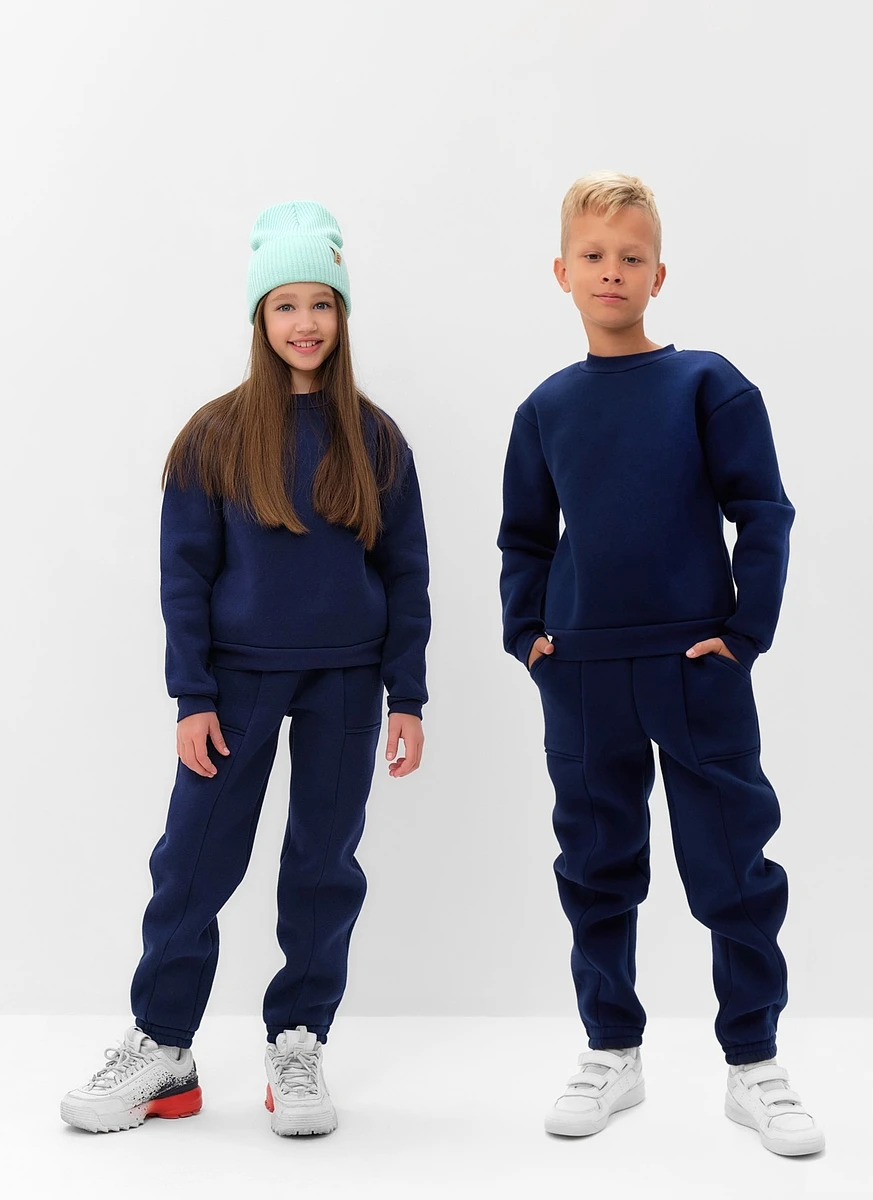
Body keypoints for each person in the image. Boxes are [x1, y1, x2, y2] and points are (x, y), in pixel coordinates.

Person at [60, 200, 431, 1137]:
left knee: (322, 866)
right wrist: (193, 695)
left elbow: (407, 574)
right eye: (286, 305)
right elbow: (183, 579)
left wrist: (409, 694)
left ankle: (298, 1040)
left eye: (322, 303)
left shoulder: (376, 439)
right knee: (193, 859)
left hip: (347, 682)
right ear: (260, 318)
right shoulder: (215, 436)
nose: (305, 322)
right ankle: (164, 1049)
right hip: (236, 685)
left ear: (342, 315)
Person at [497, 171, 824, 1157]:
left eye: (631, 257)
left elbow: (763, 511)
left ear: (658, 274)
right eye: (594, 256)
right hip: (584, 671)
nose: (613, 271)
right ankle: (611, 1050)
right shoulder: (546, 408)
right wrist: (529, 636)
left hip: (695, 663)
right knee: (596, 865)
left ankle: (754, 1061)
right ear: (562, 272)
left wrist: (745, 634)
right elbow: (525, 537)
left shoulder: (707, 386)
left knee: (732, 863)